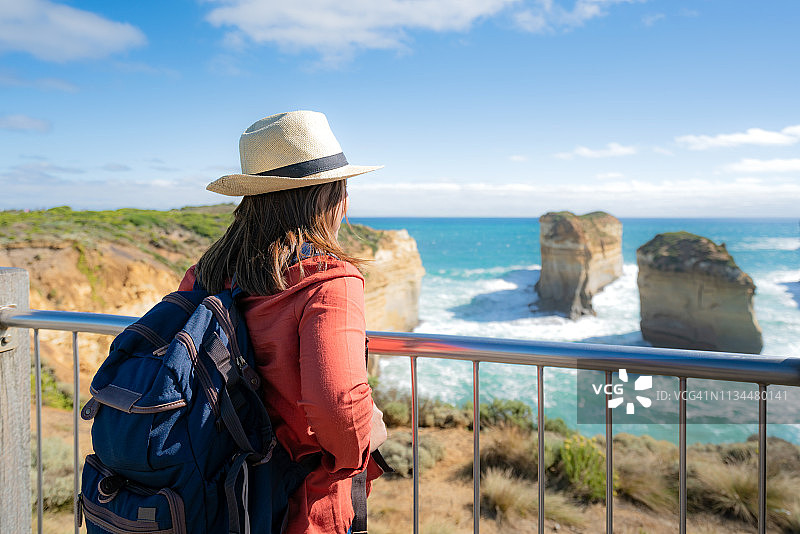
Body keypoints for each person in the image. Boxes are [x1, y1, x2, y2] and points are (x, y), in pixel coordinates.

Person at [177, 110, 388, 534]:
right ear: (330, 197)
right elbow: (339, 409)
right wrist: (371, 434)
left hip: (214, 493)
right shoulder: (328, 281)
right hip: (300, 507)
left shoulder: (206, 274)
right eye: (343, 189)